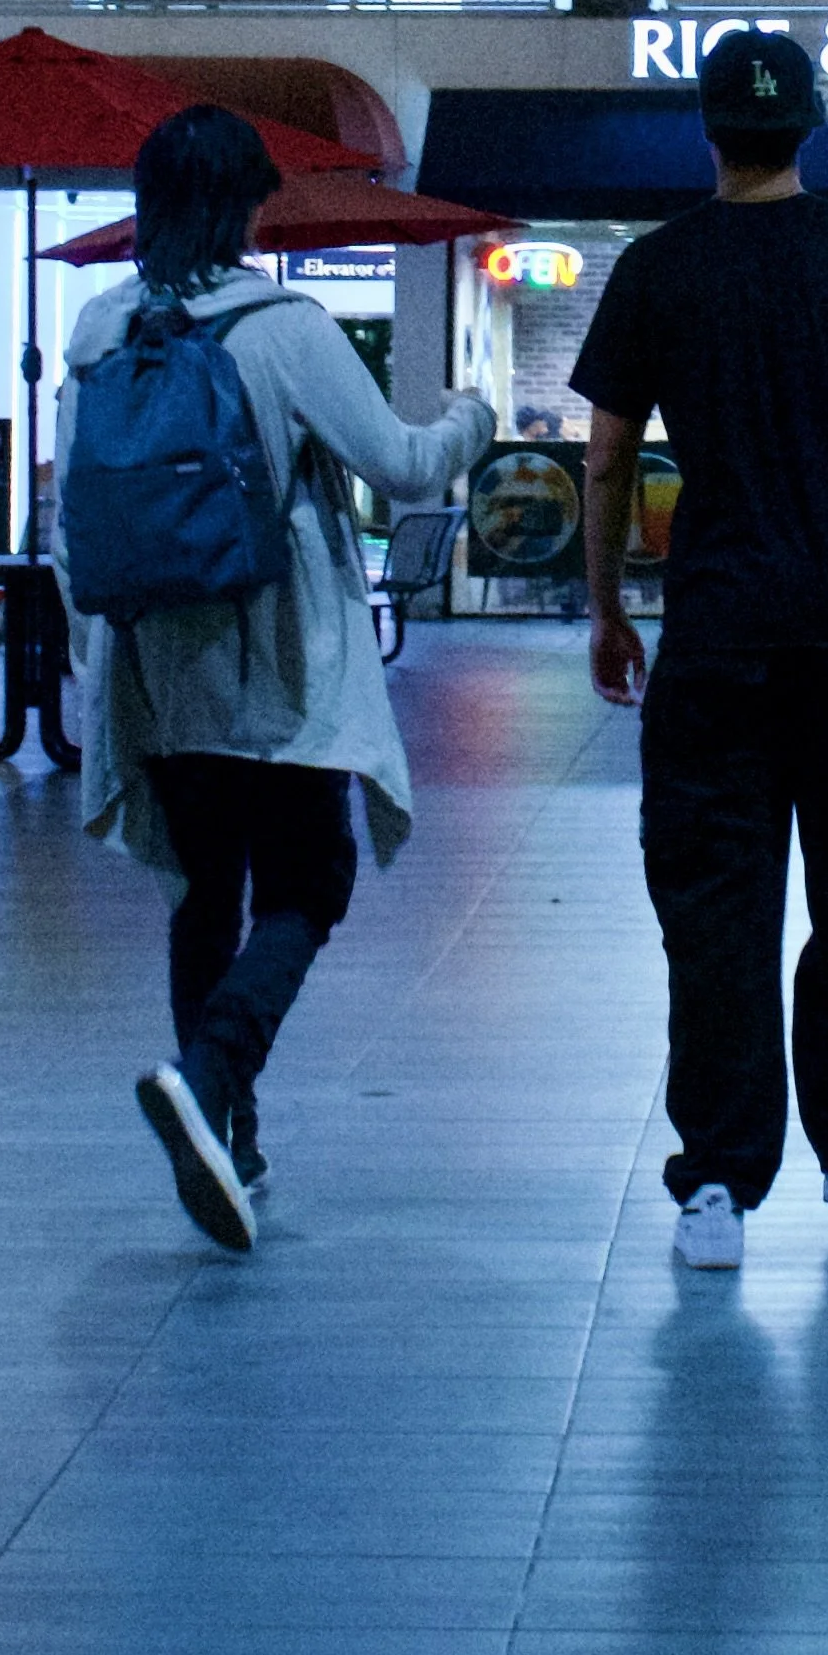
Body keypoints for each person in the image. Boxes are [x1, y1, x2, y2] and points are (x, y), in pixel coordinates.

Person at [569, 27, 828, 1271]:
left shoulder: (653, 266)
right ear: (812, 125)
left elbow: (606, 455)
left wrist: (604, 604)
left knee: (716, 913)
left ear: (708, 128)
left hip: (716, 642)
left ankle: (718, 1188)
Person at [56, 104, 494, 1253]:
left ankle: (233, 1141)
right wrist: (467, 418)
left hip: (159, 661)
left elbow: (72, 510)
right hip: (282, 660)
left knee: (202, 895)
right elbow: (399, 467)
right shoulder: (284, 325)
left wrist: (94, 653)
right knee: (310, 884)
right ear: (251, 203)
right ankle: (208, 1082)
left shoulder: (100, 327)